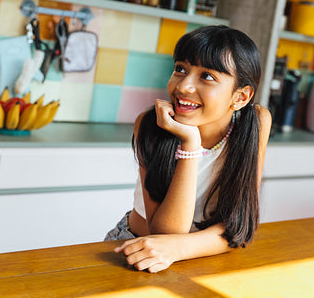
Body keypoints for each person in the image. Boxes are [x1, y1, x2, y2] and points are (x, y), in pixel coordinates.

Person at [105, 25, 272, 273]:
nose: (183, 87)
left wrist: (182, 248)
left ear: (241, 97)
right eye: (180, 69)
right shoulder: (151, 126)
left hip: (201, 257)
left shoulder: (256, 123)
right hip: (138, 251)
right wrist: (190, 144)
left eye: (207, 76)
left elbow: (237, 226)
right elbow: (165, 235)